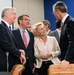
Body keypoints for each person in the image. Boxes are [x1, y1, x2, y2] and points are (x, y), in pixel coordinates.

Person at [0, 7, 26, 72]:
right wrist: (19, 53)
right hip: (3, 63)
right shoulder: (1, 27)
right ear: (7, 15)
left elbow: (10, 44)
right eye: (14, 14)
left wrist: (18, 50)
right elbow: (5, 44)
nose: (15, 16)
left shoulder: (7, 28)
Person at [53, 1, 74, 70]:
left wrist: (67, 59)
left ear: (57, 11)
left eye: (54, 12)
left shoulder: (70, 22)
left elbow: (73, 42)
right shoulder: (63, 23)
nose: (54, 15)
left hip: (71, 61)